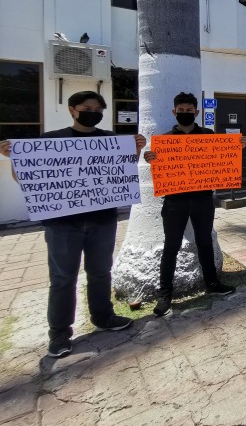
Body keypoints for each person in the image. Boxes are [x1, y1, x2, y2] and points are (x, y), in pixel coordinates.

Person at [0, 91, 146, 358]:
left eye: (98, 108)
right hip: (62, 223)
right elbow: (26, 179)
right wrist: (15, 159)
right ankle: (59, 332)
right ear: (72, 110)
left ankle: (103, 316)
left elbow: (122, 171)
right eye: (87, 107)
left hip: (103, 219)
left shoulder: (110, 140)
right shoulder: (50, 140)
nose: (93, 111)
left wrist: (135, 150)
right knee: (62, 278)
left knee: (101, 272)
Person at [142, 92, 238, 317]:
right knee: (171, 247)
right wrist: (151, 159)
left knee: (204, 241)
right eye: (181, 111)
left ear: (197, 112)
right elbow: (157, 165)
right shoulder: (164, 141)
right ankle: (165, 293)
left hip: (203, 198)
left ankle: (212, 284)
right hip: (174, 201)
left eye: (189, 111)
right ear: (174, 112)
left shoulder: (208, 135)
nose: (185, 114)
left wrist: (236, 149)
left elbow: (221, 159)